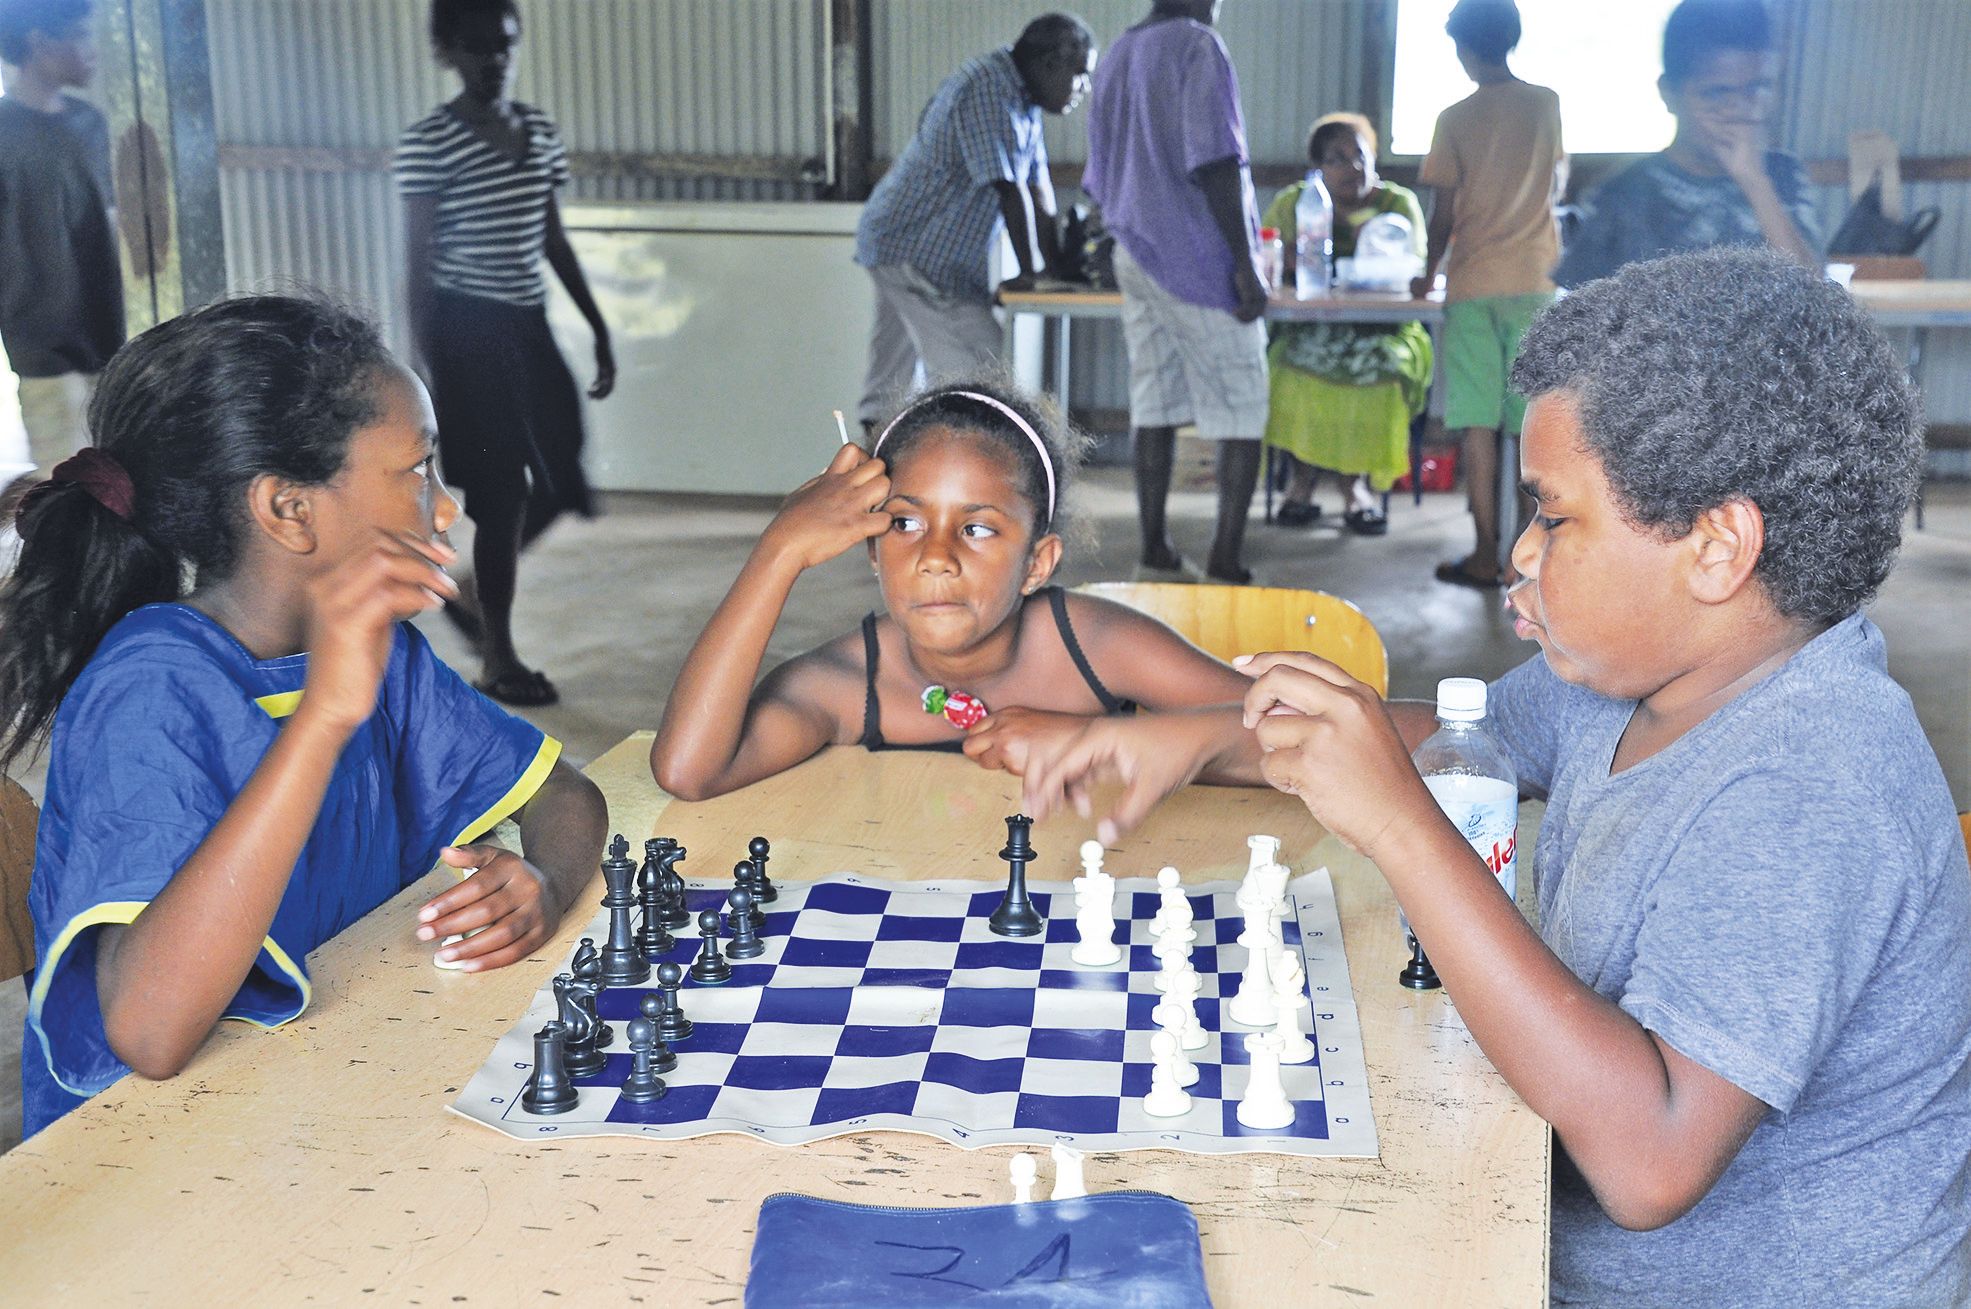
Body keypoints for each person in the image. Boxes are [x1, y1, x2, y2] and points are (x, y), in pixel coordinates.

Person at [1028, 248, 1971, 1305]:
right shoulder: (1637, 679)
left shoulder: (1811, 782)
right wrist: (1200, 738)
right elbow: (1449, 740)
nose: (1520, 553)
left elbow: (1651, 1161)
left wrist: (1400, 824)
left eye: (1553, 516)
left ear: (1716, 549)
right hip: (1532, 1220)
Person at [0, 295, 608, 1139]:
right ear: (288, 509)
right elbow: (149, 1032)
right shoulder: (151, 685)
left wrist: (542, 881)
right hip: (150, 1154)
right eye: (417, 469)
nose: (446, 507)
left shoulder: (382, 653)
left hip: (320, 1090)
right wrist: (323, 717)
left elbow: (565, 796)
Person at [649, 381, 1260, 802]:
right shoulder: (850, 684)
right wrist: (778, 551)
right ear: (872, 549)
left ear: (1036, 564)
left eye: (977, 529)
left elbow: (1295, 735)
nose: (936, 558)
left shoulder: (1098, 645)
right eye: (905, 524)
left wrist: (1100, 741)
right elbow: (688, 771)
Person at [397, 0, 614, 708]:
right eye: (476, 47)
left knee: (564, 479)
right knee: (502, 496)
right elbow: (416, 263)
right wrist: (423, 368)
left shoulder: (538, 131)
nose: (493, 60)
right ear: (447, 52)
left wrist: (598, 327)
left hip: (527, 327)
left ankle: (469, 591)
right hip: (464, 331)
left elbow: (551, 238)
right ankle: (498, 657)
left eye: (504, 45)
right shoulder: (430, 143)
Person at [1083, 0, 1270, 584]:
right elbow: (1215, 159)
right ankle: (1225, 561)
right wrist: (1245, 263)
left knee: (1154, 401)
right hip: (1196, 257)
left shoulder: (1118, 53)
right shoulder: (1196, 45)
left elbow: (1099, 173)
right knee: (1243, 407)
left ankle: (1156, 551)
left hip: (1135, 251)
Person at [853, 13, 1096, 431]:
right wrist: (1031, 273)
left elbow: (1038, 192)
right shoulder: (987, 88)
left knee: (891, 385)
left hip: (906, 246)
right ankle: (904, 463)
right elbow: (1008, 188)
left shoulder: (1023, 101)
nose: (1083, 88)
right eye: (1080, 74)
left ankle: (878, 460)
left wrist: (1053, 271)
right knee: (978, 381)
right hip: (916, 252)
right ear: (1050, 63)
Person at [1410, 0, 1564, 590]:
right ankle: (1524, 560)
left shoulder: (1454, 118)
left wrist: (1428, 271)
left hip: (1473, 283)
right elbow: (1556, 183)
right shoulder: (1546, 104)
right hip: (1534, 281)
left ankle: (1481, 554)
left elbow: (1443, 213)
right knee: (1530, 427)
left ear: (1463, 48)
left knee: (1476, 424)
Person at [1554, 0, 1819, 287]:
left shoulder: (1782, 177)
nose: (1741, 109)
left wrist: (1754, 181)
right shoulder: (1624, 195)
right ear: (1669, 94)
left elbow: (1814, 292)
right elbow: (1580, 303)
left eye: (1758, 88)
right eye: (1716, 93)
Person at [1262, 113, 1431, 535]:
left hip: (1383, 330)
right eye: (1337, 158)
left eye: (1360, 155)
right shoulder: (1295, 203)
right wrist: (1285, 258)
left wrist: (1379, 258)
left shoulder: (1397, 205)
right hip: (1309, 327)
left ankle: (1356, 488)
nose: (1352, 166)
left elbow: (1417, 267)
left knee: (1383, 370)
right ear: (1317, 167)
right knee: (1291, 366)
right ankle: (1300, 482)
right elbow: (1264, 253)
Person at [0, 0, 123, 492]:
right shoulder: (2, 133)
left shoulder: (90, 123)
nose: (92, 51)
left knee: (115, 476)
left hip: (107, 335)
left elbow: (106, 222)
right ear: (39, 42)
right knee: (63, 486)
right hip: (41, 341)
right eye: (79, 35)